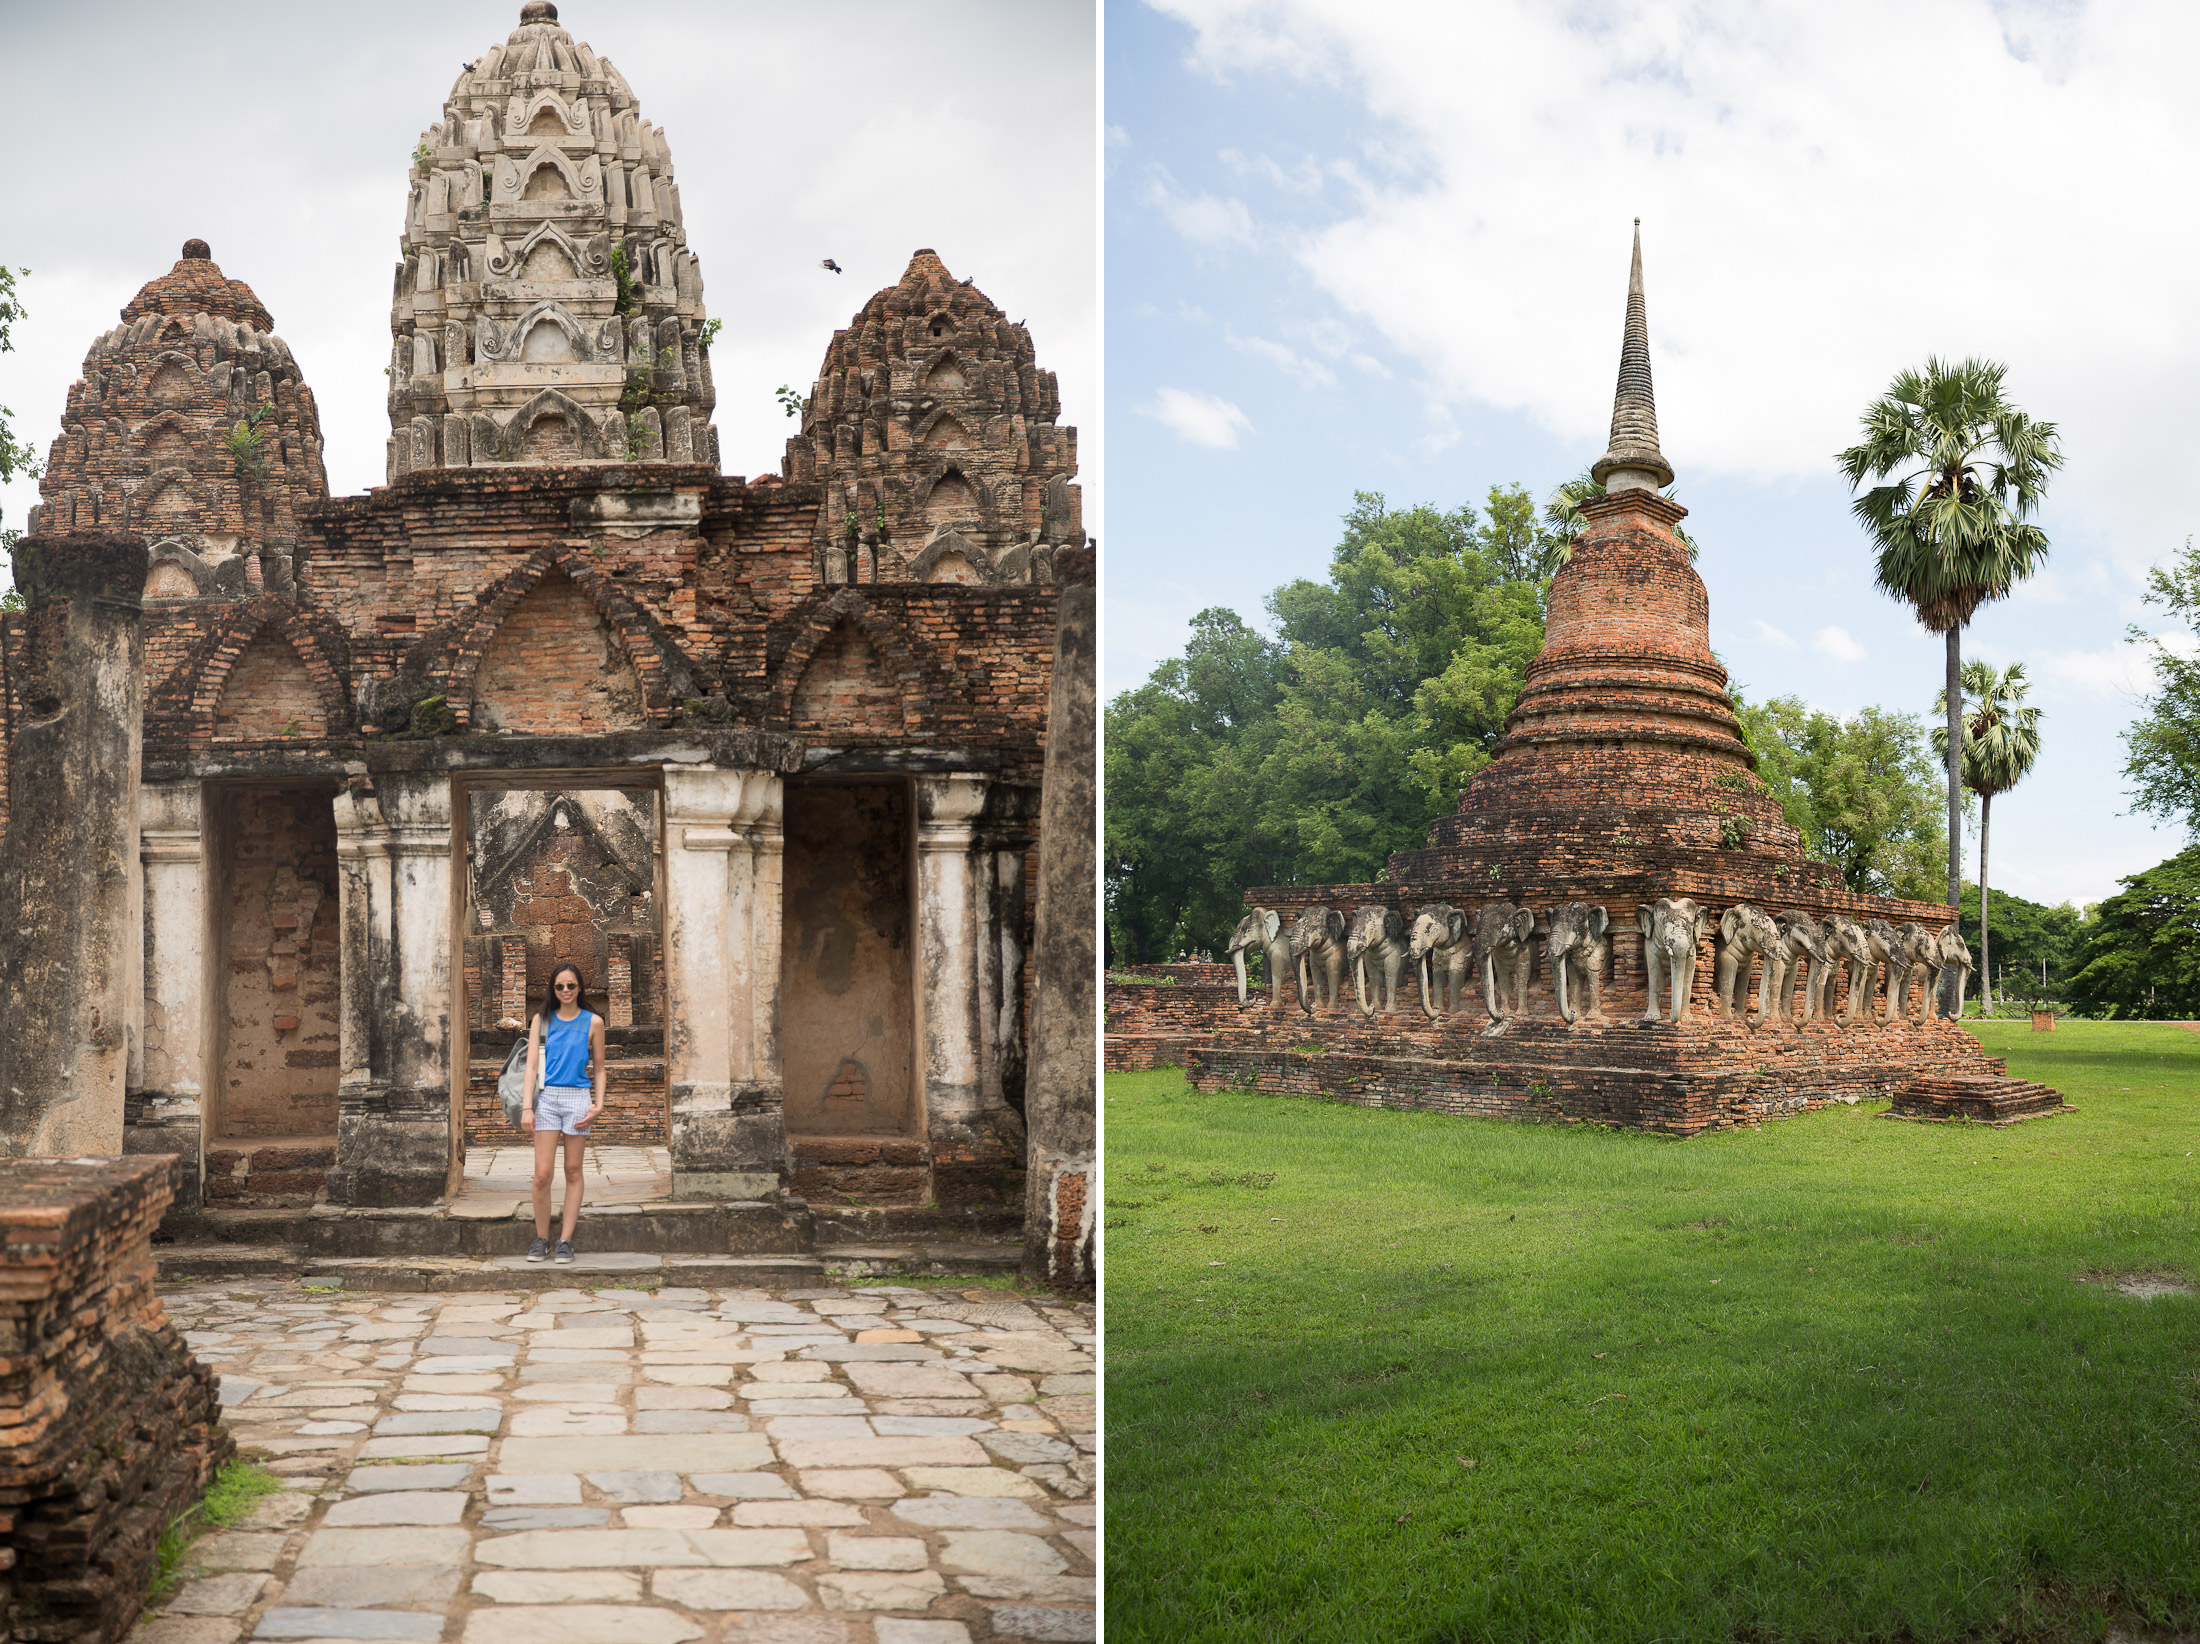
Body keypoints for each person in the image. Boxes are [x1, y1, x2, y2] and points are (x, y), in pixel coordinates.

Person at [521, 962, 606, 1264]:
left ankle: (565, 1241)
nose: (566, 991)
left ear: (580, 988)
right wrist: (527, 1107)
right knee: (542, 1174)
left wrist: (599, 1103)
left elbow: (598, 1067)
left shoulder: (593, 1022)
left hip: (577, 1098)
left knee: (573, 1170)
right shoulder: (541, 1020)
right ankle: (541, 1238)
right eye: (560, 986)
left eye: (571, 985)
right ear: (553, 990)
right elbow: (531, 1066)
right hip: (546, 1097)